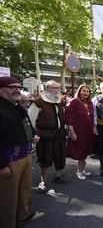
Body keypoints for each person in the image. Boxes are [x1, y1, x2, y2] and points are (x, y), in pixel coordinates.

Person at [0, 77, 42, 228]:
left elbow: (27, 124)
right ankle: (8, 224)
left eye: (19, 86)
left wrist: (33, 135)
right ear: (2, 90)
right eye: (13, 87)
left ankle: (22, 217)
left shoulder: (17, 106)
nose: (17, 89)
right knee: (8, 197)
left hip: (26, 154)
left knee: (24, 190)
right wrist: (2, 165)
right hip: (10, 159)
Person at [29, 80, 69, 193]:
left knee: (60, 156)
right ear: (47, 89)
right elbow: (31, 121)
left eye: (57, 88)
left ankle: (58, 176)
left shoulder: (59, 102)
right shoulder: (38, 102)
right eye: (53, 88)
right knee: (44, 158)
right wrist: (34, 135)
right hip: (45, 136)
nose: (56, 90)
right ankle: (43, 181)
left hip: (59, 135)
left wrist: (65, 130)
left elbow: (62, 118)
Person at [65, 84, 95, 180]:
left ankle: (83, 169)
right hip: (78, 131)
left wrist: (94, 127)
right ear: (79, 92)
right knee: (80, 151)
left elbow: (92, 117)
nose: (86, 93)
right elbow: (68, 119)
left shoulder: (90, 103)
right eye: (83, 91)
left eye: (87, 91)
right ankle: (80, 171)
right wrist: (72, 132)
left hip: (88, 131)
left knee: (86, 150)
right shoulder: (73, 102)